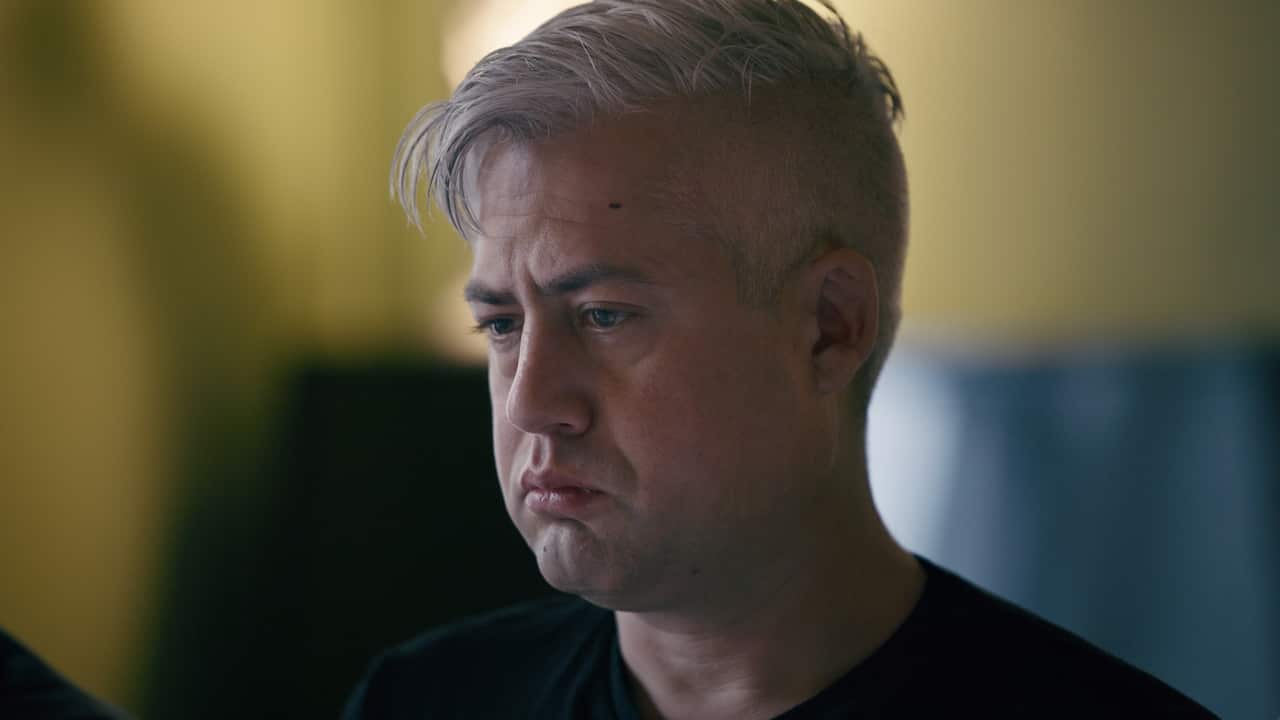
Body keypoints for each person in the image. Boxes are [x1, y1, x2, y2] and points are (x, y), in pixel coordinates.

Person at [344, 1, 1213, 717]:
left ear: (829, 328)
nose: (532, 402)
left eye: (604, 316)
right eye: (501, 325)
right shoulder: (422, 700)